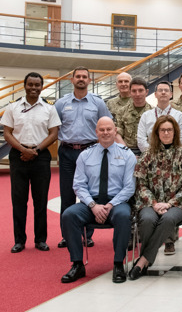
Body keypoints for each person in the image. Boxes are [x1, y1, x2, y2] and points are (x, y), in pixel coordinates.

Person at [60, 117, 136, 284]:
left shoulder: (127, 155)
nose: (105, 132)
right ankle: (77, 264)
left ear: (115, 131)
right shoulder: (85, 155)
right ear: (96, 132)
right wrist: (93, 206)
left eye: (109, 129)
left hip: (117, 203)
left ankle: (118, 264)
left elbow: (129, 188)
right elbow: (79, 185)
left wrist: (109, 205)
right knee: (68, 215)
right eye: (101, 130)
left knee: (124, 216)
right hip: (91, 203)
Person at [129, 116, 182, 280]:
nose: (166, 133)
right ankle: (147, 259)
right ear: (156, 133)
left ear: (175, 132)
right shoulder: (148, 154)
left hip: (178, 204)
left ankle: (143, 261)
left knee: (167, 220)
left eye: (169, 130)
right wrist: (154, 203)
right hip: (150, 203)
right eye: (163, 130)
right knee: (146, 220)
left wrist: (169, 203)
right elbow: (141, 184)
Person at [2, 72, 61, 253]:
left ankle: (40, 240)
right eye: (30, 84)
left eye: (37, 85)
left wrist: (35, 151)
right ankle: (19, 240)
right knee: (19, 200)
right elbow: (7, 133)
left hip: (41, 156)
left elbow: (53, 133)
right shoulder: (13, 107)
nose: (34, 88)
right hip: (18, 156)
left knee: (40, 200)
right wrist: (23, 150)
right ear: (24, 85)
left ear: (42, 87)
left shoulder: (49, 108)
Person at [55, 66, 112, 248]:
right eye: (77, 76)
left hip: (90, 152)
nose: (81, 79)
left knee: (90, 193)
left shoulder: (98, 103)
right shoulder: (61, 103)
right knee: (67, 194)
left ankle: (87, 234)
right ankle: (68, 235)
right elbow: (54, 128)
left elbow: (107, 125)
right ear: (71, 80)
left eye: (84, 77)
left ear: (89, 81)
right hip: (67, 152)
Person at [137, 81, 182, 153]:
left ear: (171, 94)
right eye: (160, 90)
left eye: (166, 90)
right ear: (155, 94)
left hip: (174, 157)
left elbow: (181, 139)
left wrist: (170, 156)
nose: (163, 92)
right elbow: (141, 140)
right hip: (151, 156)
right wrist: (152, 154)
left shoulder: (179, 115)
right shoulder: (146, 115)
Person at [114, 77, 152, 156]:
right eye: (134, 91)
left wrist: (149, 154)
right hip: (126, 150)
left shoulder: (154, 112)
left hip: (149, 151)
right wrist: (127, 153)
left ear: (146, 92)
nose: (137, 94)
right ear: (130, 92)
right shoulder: (122, 112)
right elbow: (117, 133)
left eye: (140, 90)